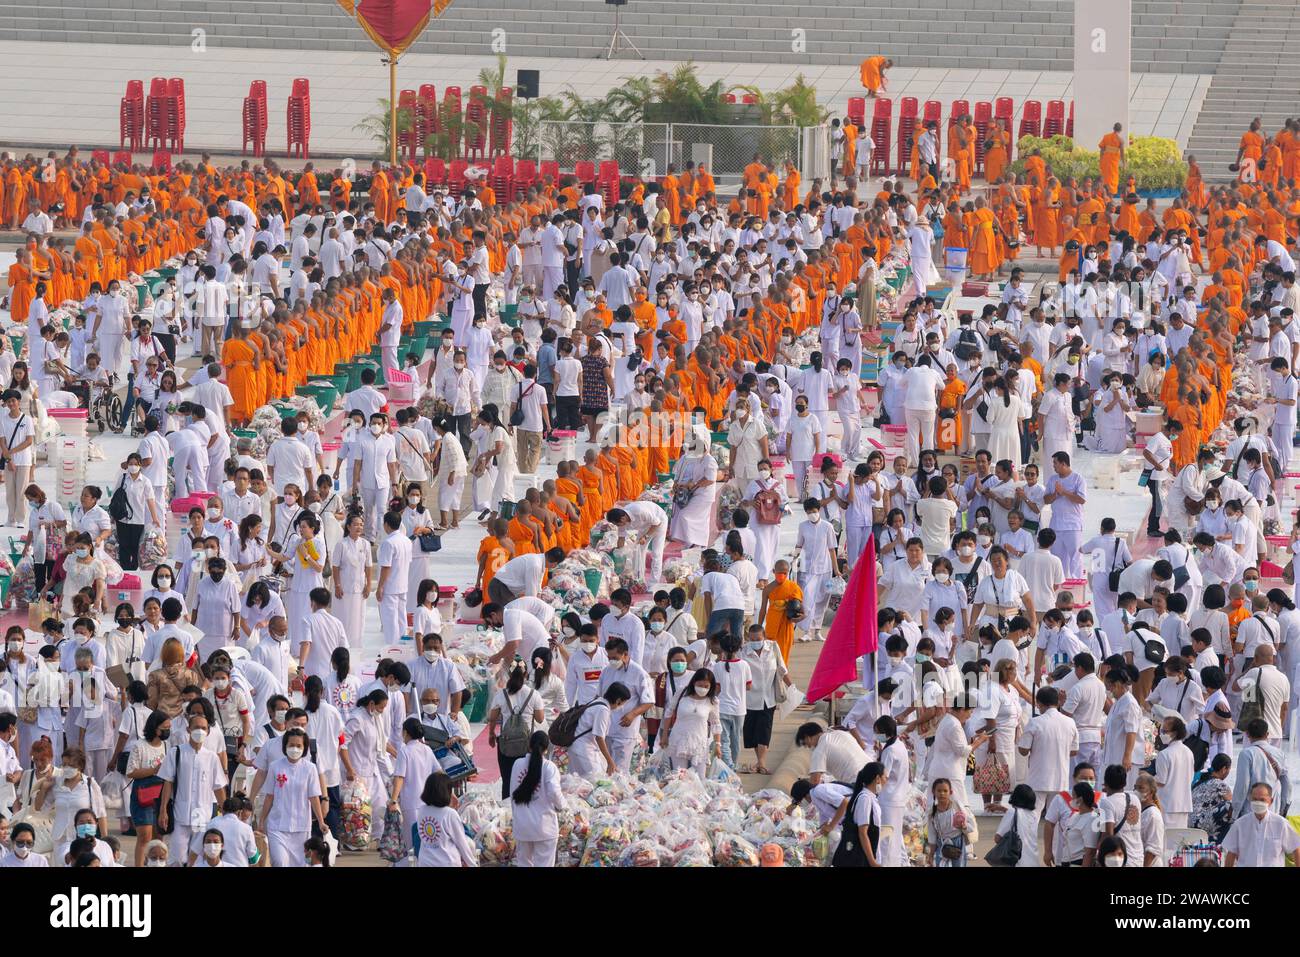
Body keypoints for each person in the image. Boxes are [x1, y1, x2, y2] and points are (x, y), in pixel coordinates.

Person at [486, 659, 545, 798]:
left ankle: (507, 809)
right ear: (526, 675)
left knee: (507, 780)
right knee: (526, 778)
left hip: (506, 743)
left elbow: (492, 717)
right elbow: (540, 719)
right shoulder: (533, 694)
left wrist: (491, 734)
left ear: (509, 674)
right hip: (527, 744)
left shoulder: (501, 694)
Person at [508, 730, 565, 867]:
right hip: (544, 827)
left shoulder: (517, 764)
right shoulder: (549, 767)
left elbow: (512, 793)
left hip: (522, 826)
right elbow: (554, 792)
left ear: (529, 745)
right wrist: (562, 805)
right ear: (546, 749)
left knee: (524, 863)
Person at [1222, 782, 1300, 867]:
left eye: (1262, 800)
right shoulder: (1239, 825)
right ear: (1250, 800)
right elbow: (1231, 854)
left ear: (1271, 801)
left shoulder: (1281, 824)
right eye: (1255, 799)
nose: (1258, 803)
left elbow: (1295, 848)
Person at [413, 772, 476, 867]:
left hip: (425, 862)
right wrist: (472, 864)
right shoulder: (449, 814)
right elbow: (462, 843)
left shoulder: (421, 810)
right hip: (447, 862)